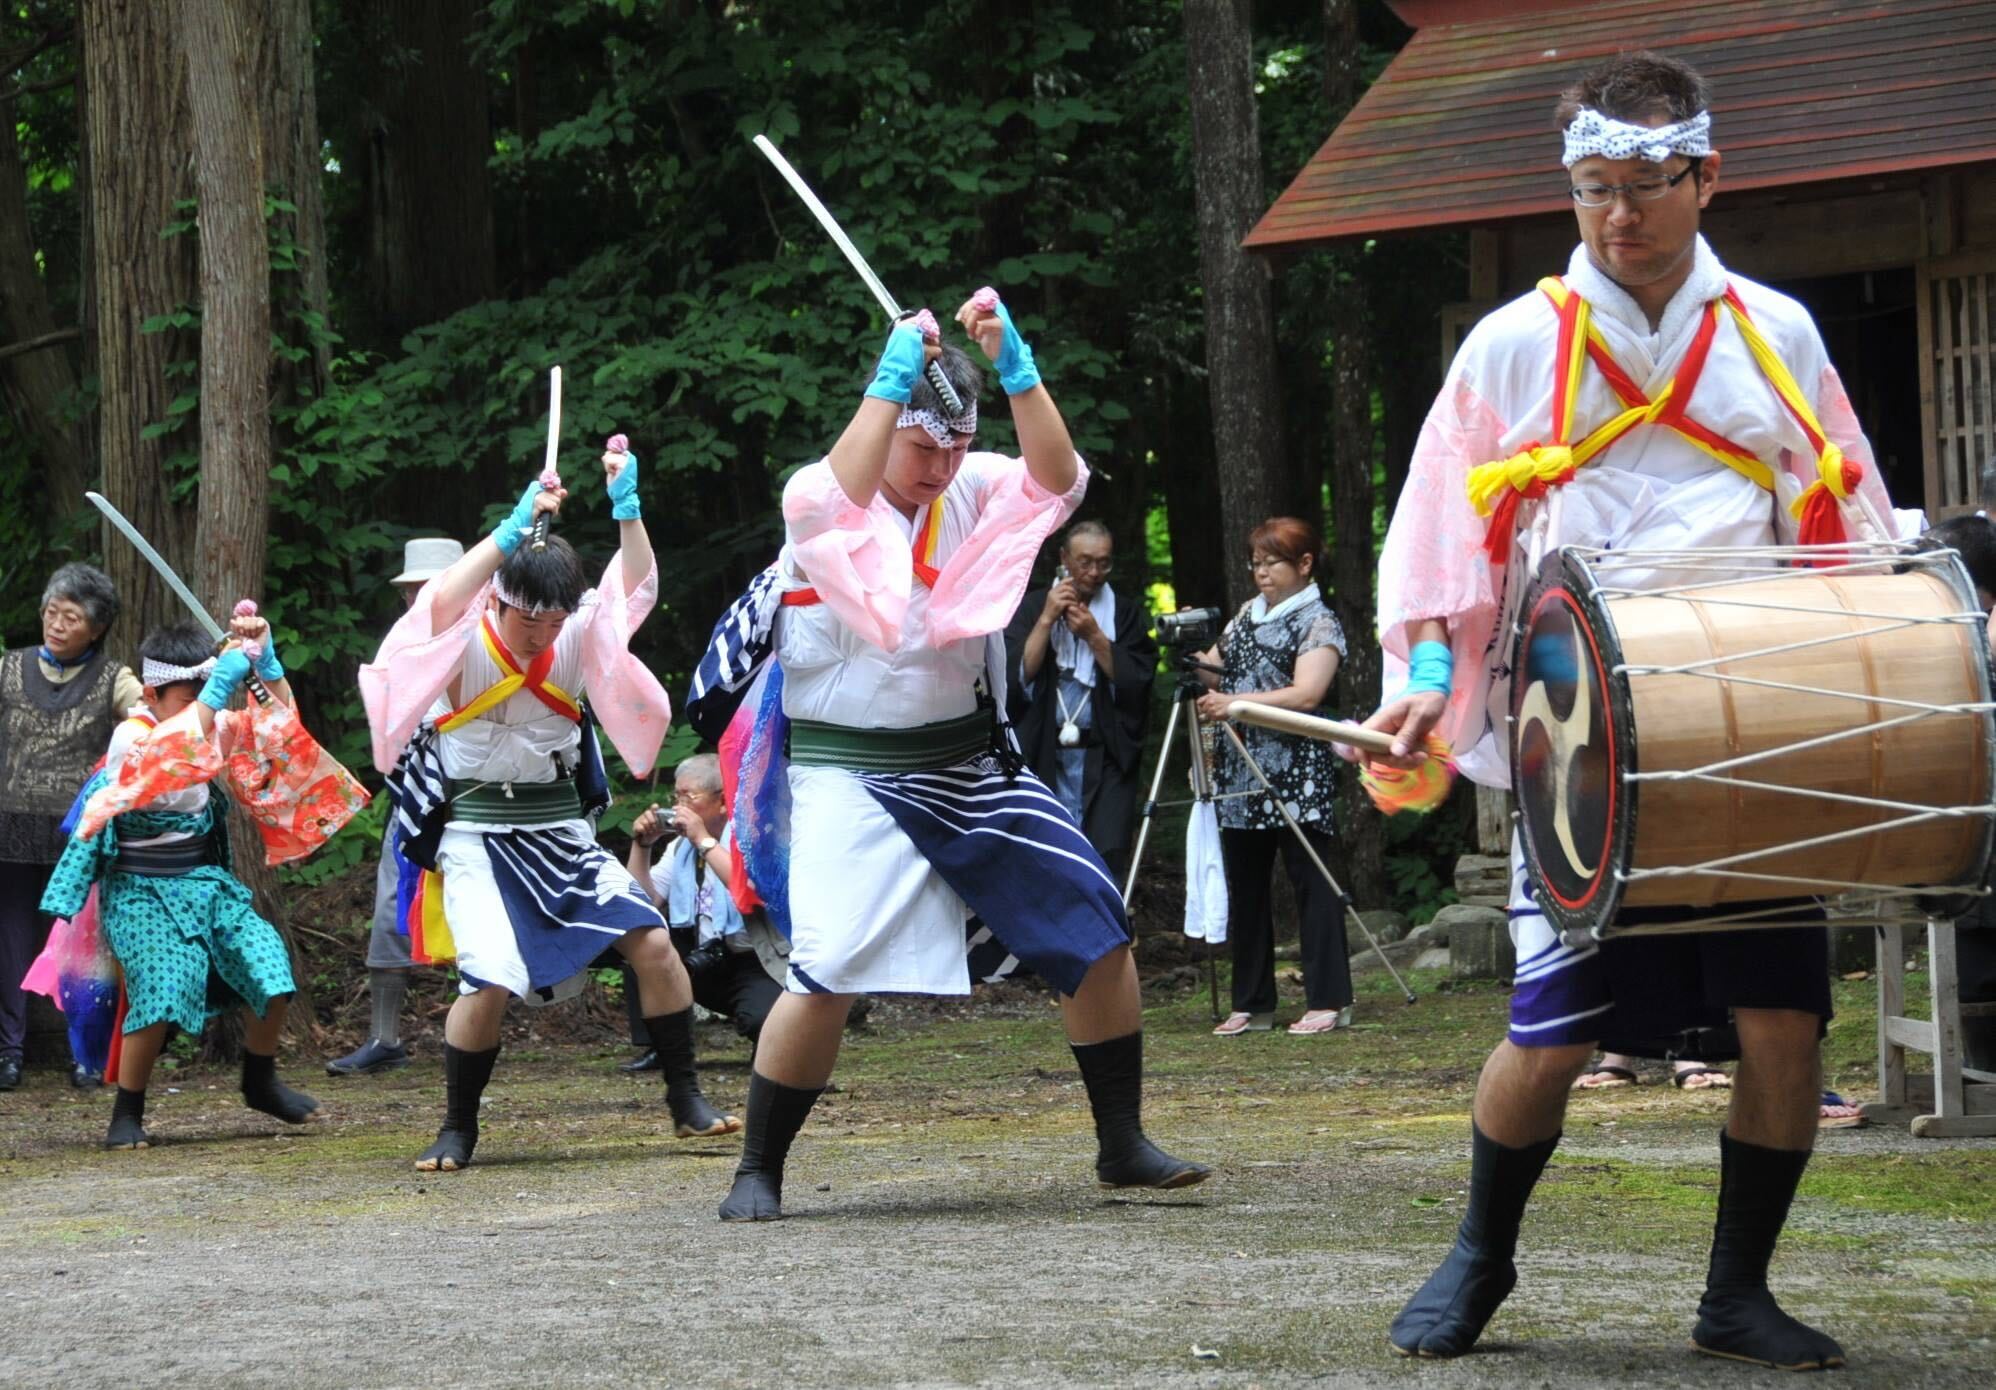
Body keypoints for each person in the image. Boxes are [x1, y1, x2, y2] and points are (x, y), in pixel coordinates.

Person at [1361, 52, 1905, 1371]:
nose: (1619, 216)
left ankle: (1737, 1291)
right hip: (1576, 718)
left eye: (1649, 186)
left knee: (1783, 1022)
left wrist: (1892, 656)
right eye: (1594, 188)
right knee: (1551, 1031)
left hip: (1755, 707)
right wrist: (1426, 687)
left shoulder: (1775, 332)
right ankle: (1478, 1258)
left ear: (1708, 178)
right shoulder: (1512, 343)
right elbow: (1442, 535)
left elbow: (1845, 524)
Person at [715, 291, 1208, 1222]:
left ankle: (1121, 1142)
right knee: (827, 969)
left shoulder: (973, 484)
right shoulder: (819, 498)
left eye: (955, 443)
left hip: (971, 767)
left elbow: (1059, 478)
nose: (939, 465)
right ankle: (758, 1167)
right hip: (848, 774)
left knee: (1095, 924)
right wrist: (894, 374)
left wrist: (1016, 366)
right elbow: (832, 496)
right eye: (920, 444)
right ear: (885, 421)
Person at [360, 440, 738, 1172]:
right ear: (497, 600)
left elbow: (630, 590)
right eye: (528, 622)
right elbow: (435, 604)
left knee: (653, 943)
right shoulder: (457, 643)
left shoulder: (573, 637)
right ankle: (458, 1128)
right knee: (490, 977)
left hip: (559, 833)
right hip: (475, 836)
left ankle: (685, 1098)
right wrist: (508, 532)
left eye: (553, 622)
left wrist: (627, 506)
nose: (542, 636)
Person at [39, 614, 338, 1149]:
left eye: (206, 696)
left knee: (269, 964)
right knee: (163, 985)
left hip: (202, 881)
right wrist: (219, 685)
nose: (204, 707)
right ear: (151, 694)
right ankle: (127, 1111)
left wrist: (265, 664)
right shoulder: (131, 735)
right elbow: (174, 752)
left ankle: (259, 1078)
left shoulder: (206, 717)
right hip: (138, 888)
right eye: (186, 697)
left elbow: (278, 721)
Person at [1184, 518, 1351, 1037]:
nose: (1261, 573)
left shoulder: (1318, 620)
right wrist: (1189, 648)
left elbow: (1307, 693)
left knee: (1311, 881)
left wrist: (1235, 702)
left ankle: (1329, 999)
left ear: (1304, 565)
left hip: (1297, 768)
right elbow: (1212, 669)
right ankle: (1252, 1001)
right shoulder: (1244, 617)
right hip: (1239, 767)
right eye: (1255, 563)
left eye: (1272, 562)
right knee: (1247, 885)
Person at [0, 562, 141, 1091]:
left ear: (97, 628)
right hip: (8, 829)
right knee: (10, 940)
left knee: (82, 944)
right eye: (52, 613)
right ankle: (8, 1053)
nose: (57, 625)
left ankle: (85, 1055)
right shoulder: (7, 668)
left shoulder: (115, 679)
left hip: (78, 837)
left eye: (72, 617)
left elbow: (146, 723)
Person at [328, 537, 465, 1078]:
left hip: (475, 797)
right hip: (412, 795)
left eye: (429, 588)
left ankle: (473, 1034)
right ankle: (384, 1037)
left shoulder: (489, 636)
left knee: (476, 916)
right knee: (391, 909)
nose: (419, 599)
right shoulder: (399, 646)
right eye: (413, 590)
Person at [1004, 520, 1156, 879]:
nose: (1094, 572)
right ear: (1064, 559)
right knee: (1041, 850)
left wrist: (1093, 635)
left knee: (1103, 856)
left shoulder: (1124, 613)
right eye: (1085, 561)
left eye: (1104, 563)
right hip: (1043, 752)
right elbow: (1014, 678)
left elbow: (1137, 682)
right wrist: (1046, 620)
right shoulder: (1032, 606)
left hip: (1103, 757)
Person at [626, 754, 785, 1045]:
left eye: (688, 797)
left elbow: (747, 889)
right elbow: (642, 900)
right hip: (707, 956)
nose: (678, 807)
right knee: (643, 945)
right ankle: (660, 1045)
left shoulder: (754, 839)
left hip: (757, 959)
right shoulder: (680, 847)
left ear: (723, 801)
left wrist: (704, 840)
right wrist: (642, 845)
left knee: (760, 1021)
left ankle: (770, 1044)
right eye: (676, 796)